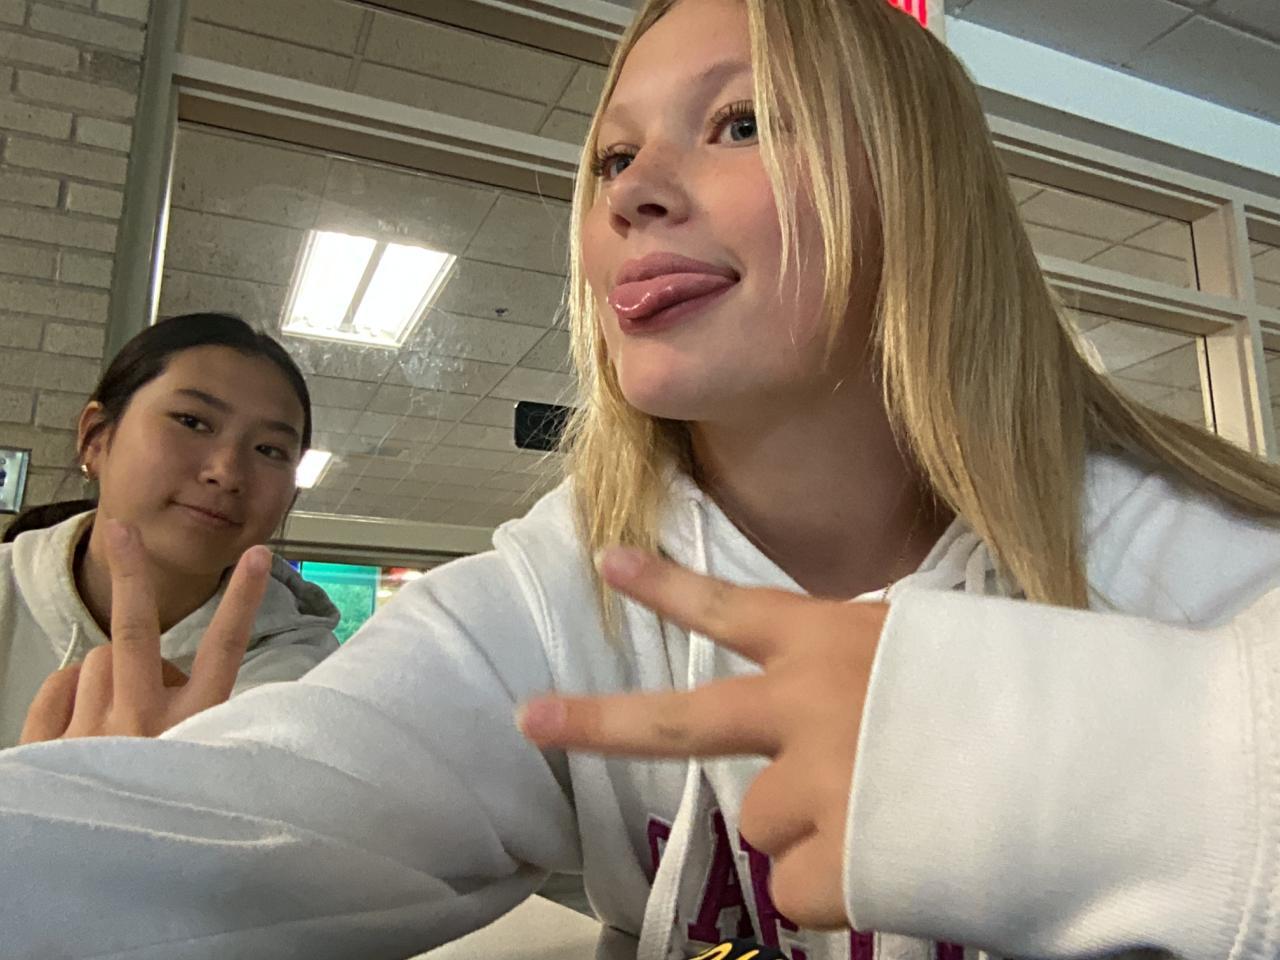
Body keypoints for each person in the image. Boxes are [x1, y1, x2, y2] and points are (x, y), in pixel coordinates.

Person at [0, 1, 1277, 958]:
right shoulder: (568, 584)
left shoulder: (1191, 563)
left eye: (740, 122)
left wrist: (1141, 776)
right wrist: (129, 828)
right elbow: (267, 824)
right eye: (611, 160)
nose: (633, 197)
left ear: (918, 189)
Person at [0, 313, 339, 747]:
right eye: (192, 422)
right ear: (96, 438)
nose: (226, 473)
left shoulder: (311, 680)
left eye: (270, 450)